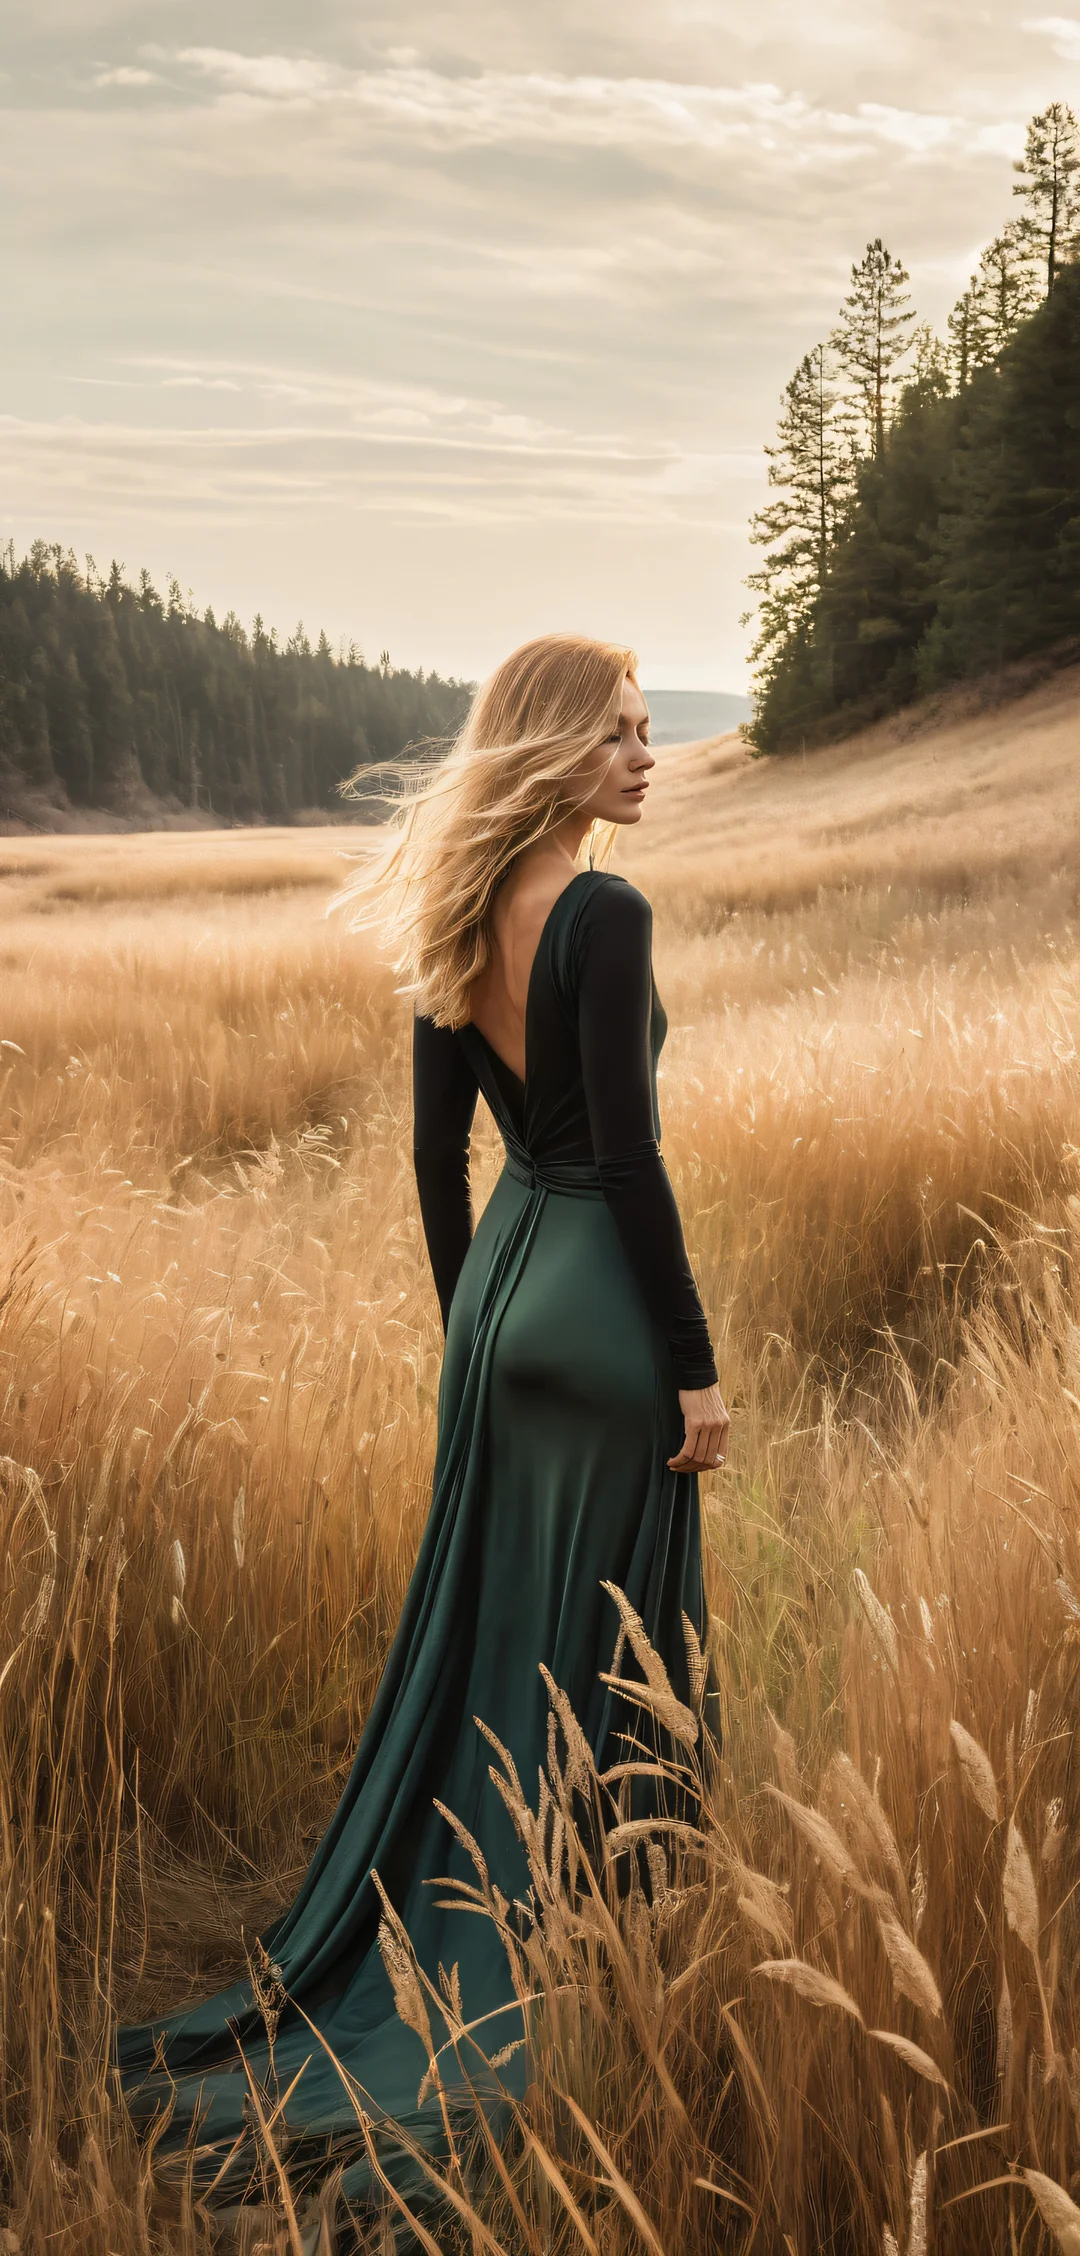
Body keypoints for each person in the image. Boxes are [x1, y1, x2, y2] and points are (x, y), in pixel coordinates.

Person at [115, 633, 729, 2237]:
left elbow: (431, 1158)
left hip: (503, 1294)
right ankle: (591, 1944)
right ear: (552, 749)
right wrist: (693, 1366)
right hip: (599, 1299)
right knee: (612, 1635)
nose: (646, 758)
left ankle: (452, 1918)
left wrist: (475, 1331)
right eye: (620, 735)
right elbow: (631, 1160)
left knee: (494, 1632)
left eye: (649, 732)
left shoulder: (456, 907)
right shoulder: (602, 912)